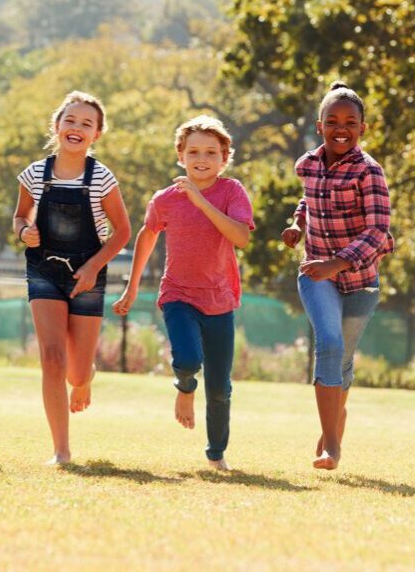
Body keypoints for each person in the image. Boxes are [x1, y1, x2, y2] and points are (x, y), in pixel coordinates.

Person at [113, 115, 253, 471]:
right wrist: (131, 288)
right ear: (180, 155)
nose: (201, 158)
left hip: (220, 299)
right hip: (178, 295)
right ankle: (185, 386)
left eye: (210, 152)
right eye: (193, 151)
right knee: (189, 360)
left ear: (224, 158)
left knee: (220, 387)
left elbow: (241, 237)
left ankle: (216, 454)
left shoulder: (231, 192)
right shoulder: (165, 200)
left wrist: (201, 200)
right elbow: (147, 237)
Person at [13, 91, 130, 464]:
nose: (77, 128)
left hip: (87, 273)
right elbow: (20, 216)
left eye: (86, 124)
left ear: (96, 134)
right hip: (43, 271)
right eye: (71, 121)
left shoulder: (101, 177)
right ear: (57, 126)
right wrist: (22, 232)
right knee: (51, 358)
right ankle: (61, 450)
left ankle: (86, 376)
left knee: (76, 374)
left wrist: (94, 267)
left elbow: (123, 232)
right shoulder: (34, 174)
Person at [282, 81, 394, 471]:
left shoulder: (370, 172)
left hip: (361, 281)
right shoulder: (308, 165)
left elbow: (378, 232)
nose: (340, 128)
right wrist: (297, 223)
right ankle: (332, 445)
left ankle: (334, 422)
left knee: (343, 360)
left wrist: (338, 263)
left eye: (350, 121)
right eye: (332, 121)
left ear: (362, 127)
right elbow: (310, 198)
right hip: (316, 273)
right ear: (319, 125)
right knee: (328, 345)